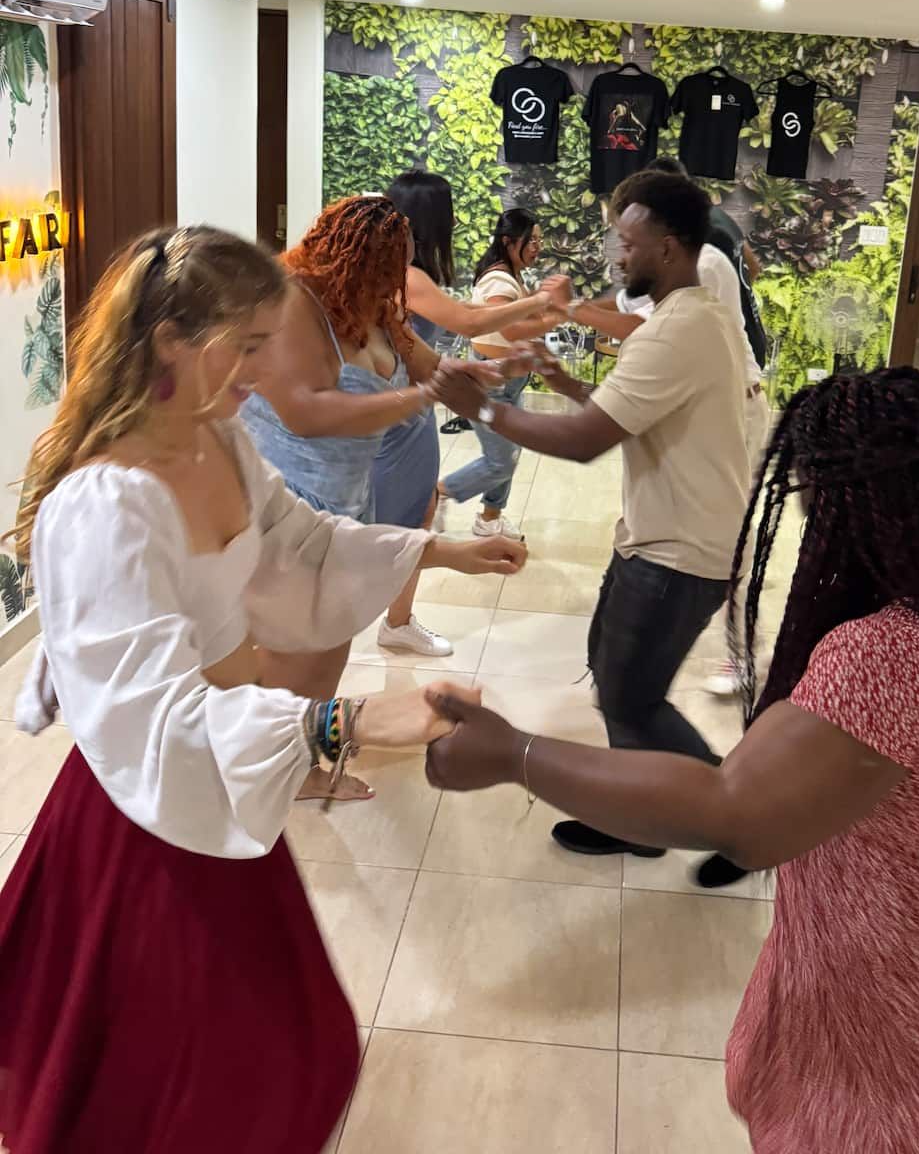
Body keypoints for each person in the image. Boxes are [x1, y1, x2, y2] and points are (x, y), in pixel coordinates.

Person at [424, 367, 919, 1154]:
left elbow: (732, 813)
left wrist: (516, 754)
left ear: (837, 503)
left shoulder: (887, 659)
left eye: (805, 490)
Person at [0, 225, 525, 1154]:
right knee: (189, 1084)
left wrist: (438, 548)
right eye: (246, 347)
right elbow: (154, 718)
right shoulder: (105, 505)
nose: (264, 371)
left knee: (289, 1051)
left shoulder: (221, 440)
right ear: (170, 341)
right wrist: (346, 724)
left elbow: (300, 539)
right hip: (146, 817)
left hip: (213, 794)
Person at [432, 171, 749, 859]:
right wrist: (561, 380)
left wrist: (479, 408)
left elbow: (585, 442)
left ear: (668, 248)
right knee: (615, 680)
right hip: (662, 538)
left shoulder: (680, 328)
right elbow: (631, 415)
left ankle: (738, 824)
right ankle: (636, 814)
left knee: (634, 699)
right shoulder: (683, 318)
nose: (617, 257)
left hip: (678, 552)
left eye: (628, 244)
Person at [240, 195, 475, 701]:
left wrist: (485, 379)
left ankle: (309, 756)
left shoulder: (380, 309)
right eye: (389, 269)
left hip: (351, 503)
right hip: (293, 505)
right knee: (290, 652)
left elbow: (431, 367)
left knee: (332, 644)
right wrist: (415, 398)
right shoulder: (292, 303)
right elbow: (305, 415)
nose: (397, 283)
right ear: (348, 258)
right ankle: (289, 764)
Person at [585, 157, 768, 698]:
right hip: (722, 392)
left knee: (726, 534)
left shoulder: (702, 269)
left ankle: (740, 654)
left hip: (737, 402)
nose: (622, 252)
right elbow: (752, 270)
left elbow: (630, 324)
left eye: (629, 236)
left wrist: (563, 313)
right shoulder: (712, 247)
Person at [385, 174, 568, 533]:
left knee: (497, 462)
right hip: (402, 410)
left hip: (414, 401)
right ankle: (466, 510)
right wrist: (546, 303)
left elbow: (461, 315)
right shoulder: (410, 277)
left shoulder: (411, 277)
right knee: (408, 521)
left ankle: (485, 516)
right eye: (449, 211)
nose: (454, 221)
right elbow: (470, 322)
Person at [433, 207, 566, 540]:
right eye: (530, 240)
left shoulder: (510, 275)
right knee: (500, 462)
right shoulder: (499, 280)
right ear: (509, 242)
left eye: (539, 239)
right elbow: (508, 329)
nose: (537, 246)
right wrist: (553, 315)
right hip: (491, 384)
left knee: (510, 454)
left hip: (506, 382)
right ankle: (438, 493)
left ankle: (490, 519)